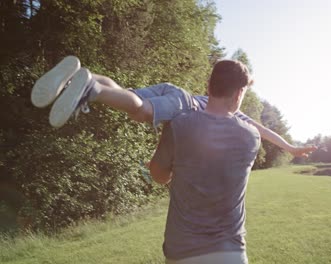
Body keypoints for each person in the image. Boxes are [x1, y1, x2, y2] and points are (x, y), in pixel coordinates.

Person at [31, 56, 316, 158]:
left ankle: (86, 77)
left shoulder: (209, 97)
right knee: (140, 110)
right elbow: (263, 130)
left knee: (124, 93)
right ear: (238, 93)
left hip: (173, 90)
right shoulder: (234, 112)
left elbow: (264, 129)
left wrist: (291, 147)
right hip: (180, 101)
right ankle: (90, 90)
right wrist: (290, 148)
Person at [150, 59, 258, 263]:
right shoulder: (251, 136)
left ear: (209, 86)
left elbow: (158, 174)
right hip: (231, 253)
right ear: (239, 93)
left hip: (181, 251)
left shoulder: (178, 123)